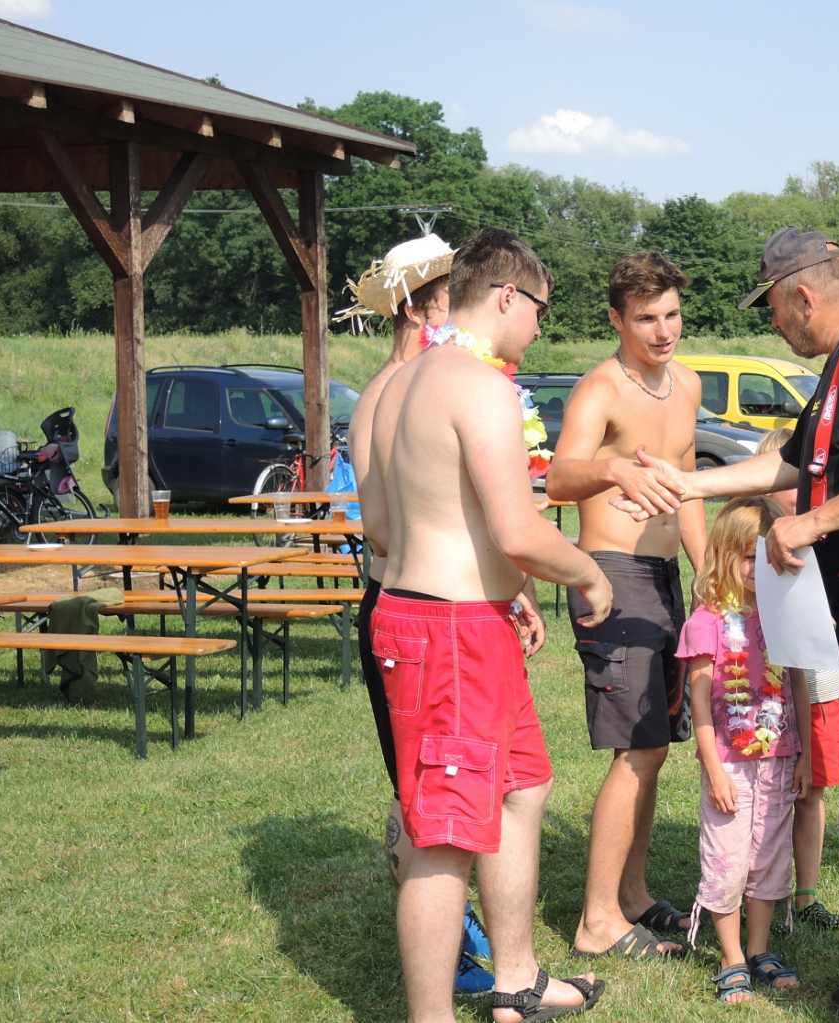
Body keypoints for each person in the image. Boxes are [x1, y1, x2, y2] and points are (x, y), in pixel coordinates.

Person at [625, 228, 839, 1022]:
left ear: (803, 296)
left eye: (776, 312)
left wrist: (809, 528)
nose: (775, 327)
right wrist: (688, 481)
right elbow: (795, 459)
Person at [362, 228, 613, 1022]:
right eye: (540, 308)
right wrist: (587, 569)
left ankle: (516, 981)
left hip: (453, 616)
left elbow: (379, 525)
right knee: (442, 837)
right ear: (507, 295)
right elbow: (516, 530)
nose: (541, 327)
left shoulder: (399, 384)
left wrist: (502, 589)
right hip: (451, 632)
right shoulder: (478, 384)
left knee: (522, 786)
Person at [341, 233, 509, 997]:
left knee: (443, 790)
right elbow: (381, 527)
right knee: (434, 800)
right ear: (423, 304)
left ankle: (463, 941)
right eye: (451, 291)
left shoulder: (398, 385)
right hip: (419, 604)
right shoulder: (404, 390)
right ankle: (456, 952)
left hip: (407, 601)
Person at [544, 252, 707, 959]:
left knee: (656, 746)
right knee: (634, 749)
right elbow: (555, 478)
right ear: (616, 319)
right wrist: (609, 467)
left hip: (667, 576)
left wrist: (710, 573)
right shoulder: (598, 390)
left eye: (671, 313)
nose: (663, 329)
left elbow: (689, 483)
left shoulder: (689, 383)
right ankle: (596, 920)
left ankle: (633, 896)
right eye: (646, 317)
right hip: (612, 573)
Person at [676, 496, 809, 1003]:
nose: (757, 568)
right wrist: (712, 769)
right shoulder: (708, 622)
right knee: (728, 856)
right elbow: (701, 704)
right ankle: (731, 955)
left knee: (770, 856)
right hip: (729, 761)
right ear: (723, 556)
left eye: (765, 556)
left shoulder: (783, 616)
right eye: (747, 556)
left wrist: (807, 757)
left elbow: (796, 685)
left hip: (778, 756)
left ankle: (760, 949)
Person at [758, 427, 839, 933]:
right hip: (763, 692)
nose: (797, 495)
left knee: (811, 789)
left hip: (818, 685)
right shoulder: (750, 540)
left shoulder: (829, 533)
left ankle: (806, 894)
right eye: (787, 483)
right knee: (767, 791)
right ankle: (767, 892)